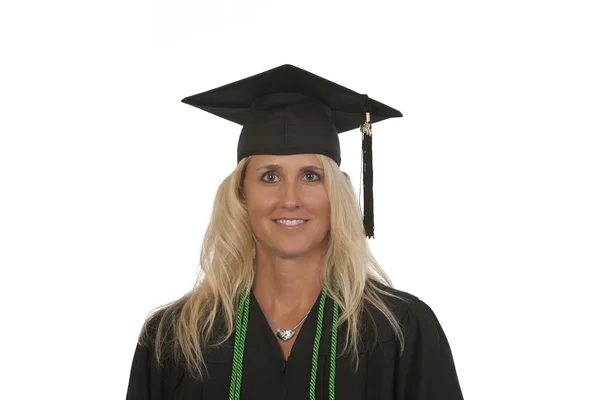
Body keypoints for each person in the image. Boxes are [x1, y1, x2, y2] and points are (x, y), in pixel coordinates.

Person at [125, 64, 463, 399]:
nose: (290, 200)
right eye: (270, 177)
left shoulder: (400, 329)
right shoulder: (175, 337)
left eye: (311, 176)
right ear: (242, 194)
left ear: (336, 194)